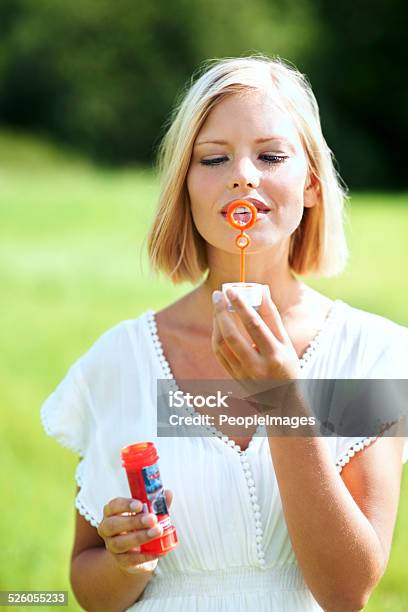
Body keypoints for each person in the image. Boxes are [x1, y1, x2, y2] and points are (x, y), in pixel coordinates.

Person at [41, 55, 408, 611]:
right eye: (214, 157)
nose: (243, 174)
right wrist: (125, 562)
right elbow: (90, 587)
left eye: (271, 155)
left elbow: (346, 591)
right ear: (185, 186)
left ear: (310, 183)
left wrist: (282, 396)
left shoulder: (370, 354)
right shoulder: (121, 358)